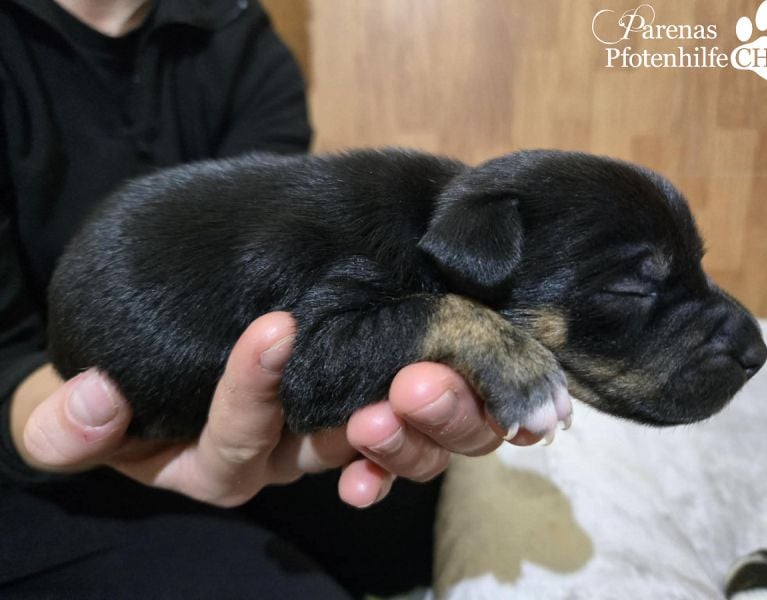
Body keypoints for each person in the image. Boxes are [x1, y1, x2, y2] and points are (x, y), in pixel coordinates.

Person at [0, 0, 533, 597]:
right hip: (47, 458)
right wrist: (54, 424)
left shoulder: (234, 28)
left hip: (233, 399)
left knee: (409, 521)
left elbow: (284, 278)